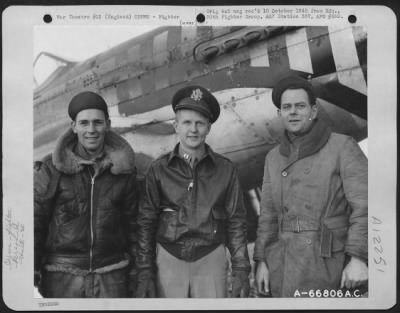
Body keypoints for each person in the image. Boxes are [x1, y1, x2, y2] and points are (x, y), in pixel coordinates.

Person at [254, 76, 368, 297]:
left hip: (329, 263)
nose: (293, 112)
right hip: (282, 263)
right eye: (287, 107)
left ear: (313, 111)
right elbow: (267, 216)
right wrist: (262, 261)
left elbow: (365, 206)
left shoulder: (342, 146)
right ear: (280, 115)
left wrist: (358, 258)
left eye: (300, 106)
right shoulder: (273, 158)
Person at [135, 86, 251, 298]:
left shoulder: (226, 169)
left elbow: (236, 221)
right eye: (187, 122)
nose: (193, 130)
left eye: (200, 123)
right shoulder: (158, 169)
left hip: (211, 257)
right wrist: (145, 270)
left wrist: (241, 268)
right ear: (176, 126)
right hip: (169, 256)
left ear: (209, 127)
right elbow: (145, 223)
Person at [34, 91, 138, 298]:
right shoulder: (50, 168)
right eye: (84, 123)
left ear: (108, 124)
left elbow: (134, 225)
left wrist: (139, 272)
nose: (91, 130)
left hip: (112, 276)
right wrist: (32, 272)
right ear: (74, 127)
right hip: (62, 277)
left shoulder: (124, 170)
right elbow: (35, 222)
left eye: (98, 123)